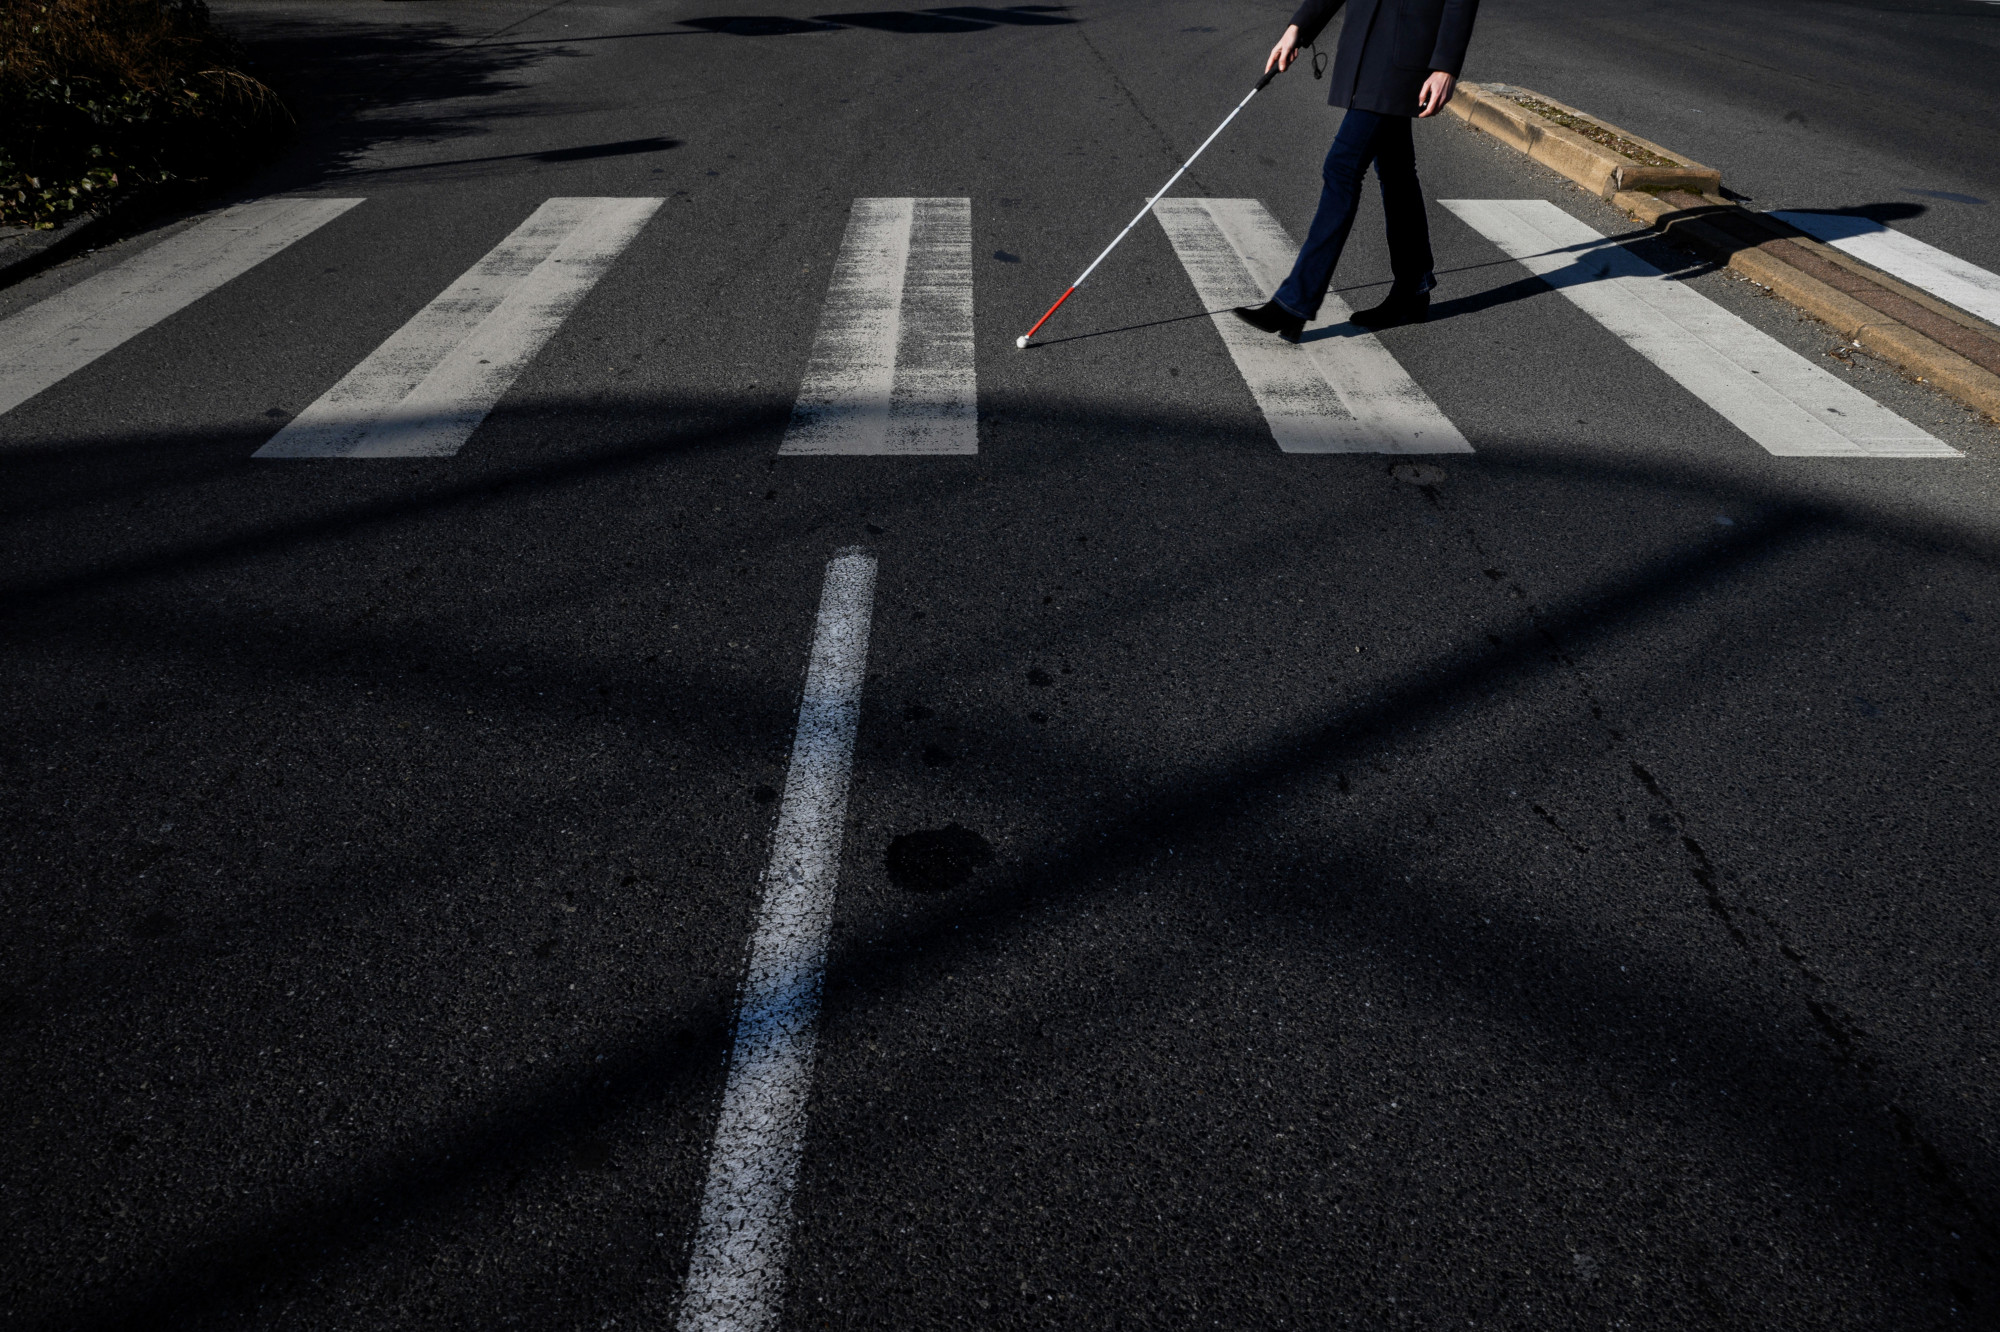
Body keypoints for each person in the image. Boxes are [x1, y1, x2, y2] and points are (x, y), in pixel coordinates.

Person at [1234, 0, 1481, 342]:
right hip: (1366, 54)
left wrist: (1446, 65)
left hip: (1403, 57)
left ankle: (1295, 301)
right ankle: (1413, 286)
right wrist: (1298, 27)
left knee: (1342, 168)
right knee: (1395, 170)